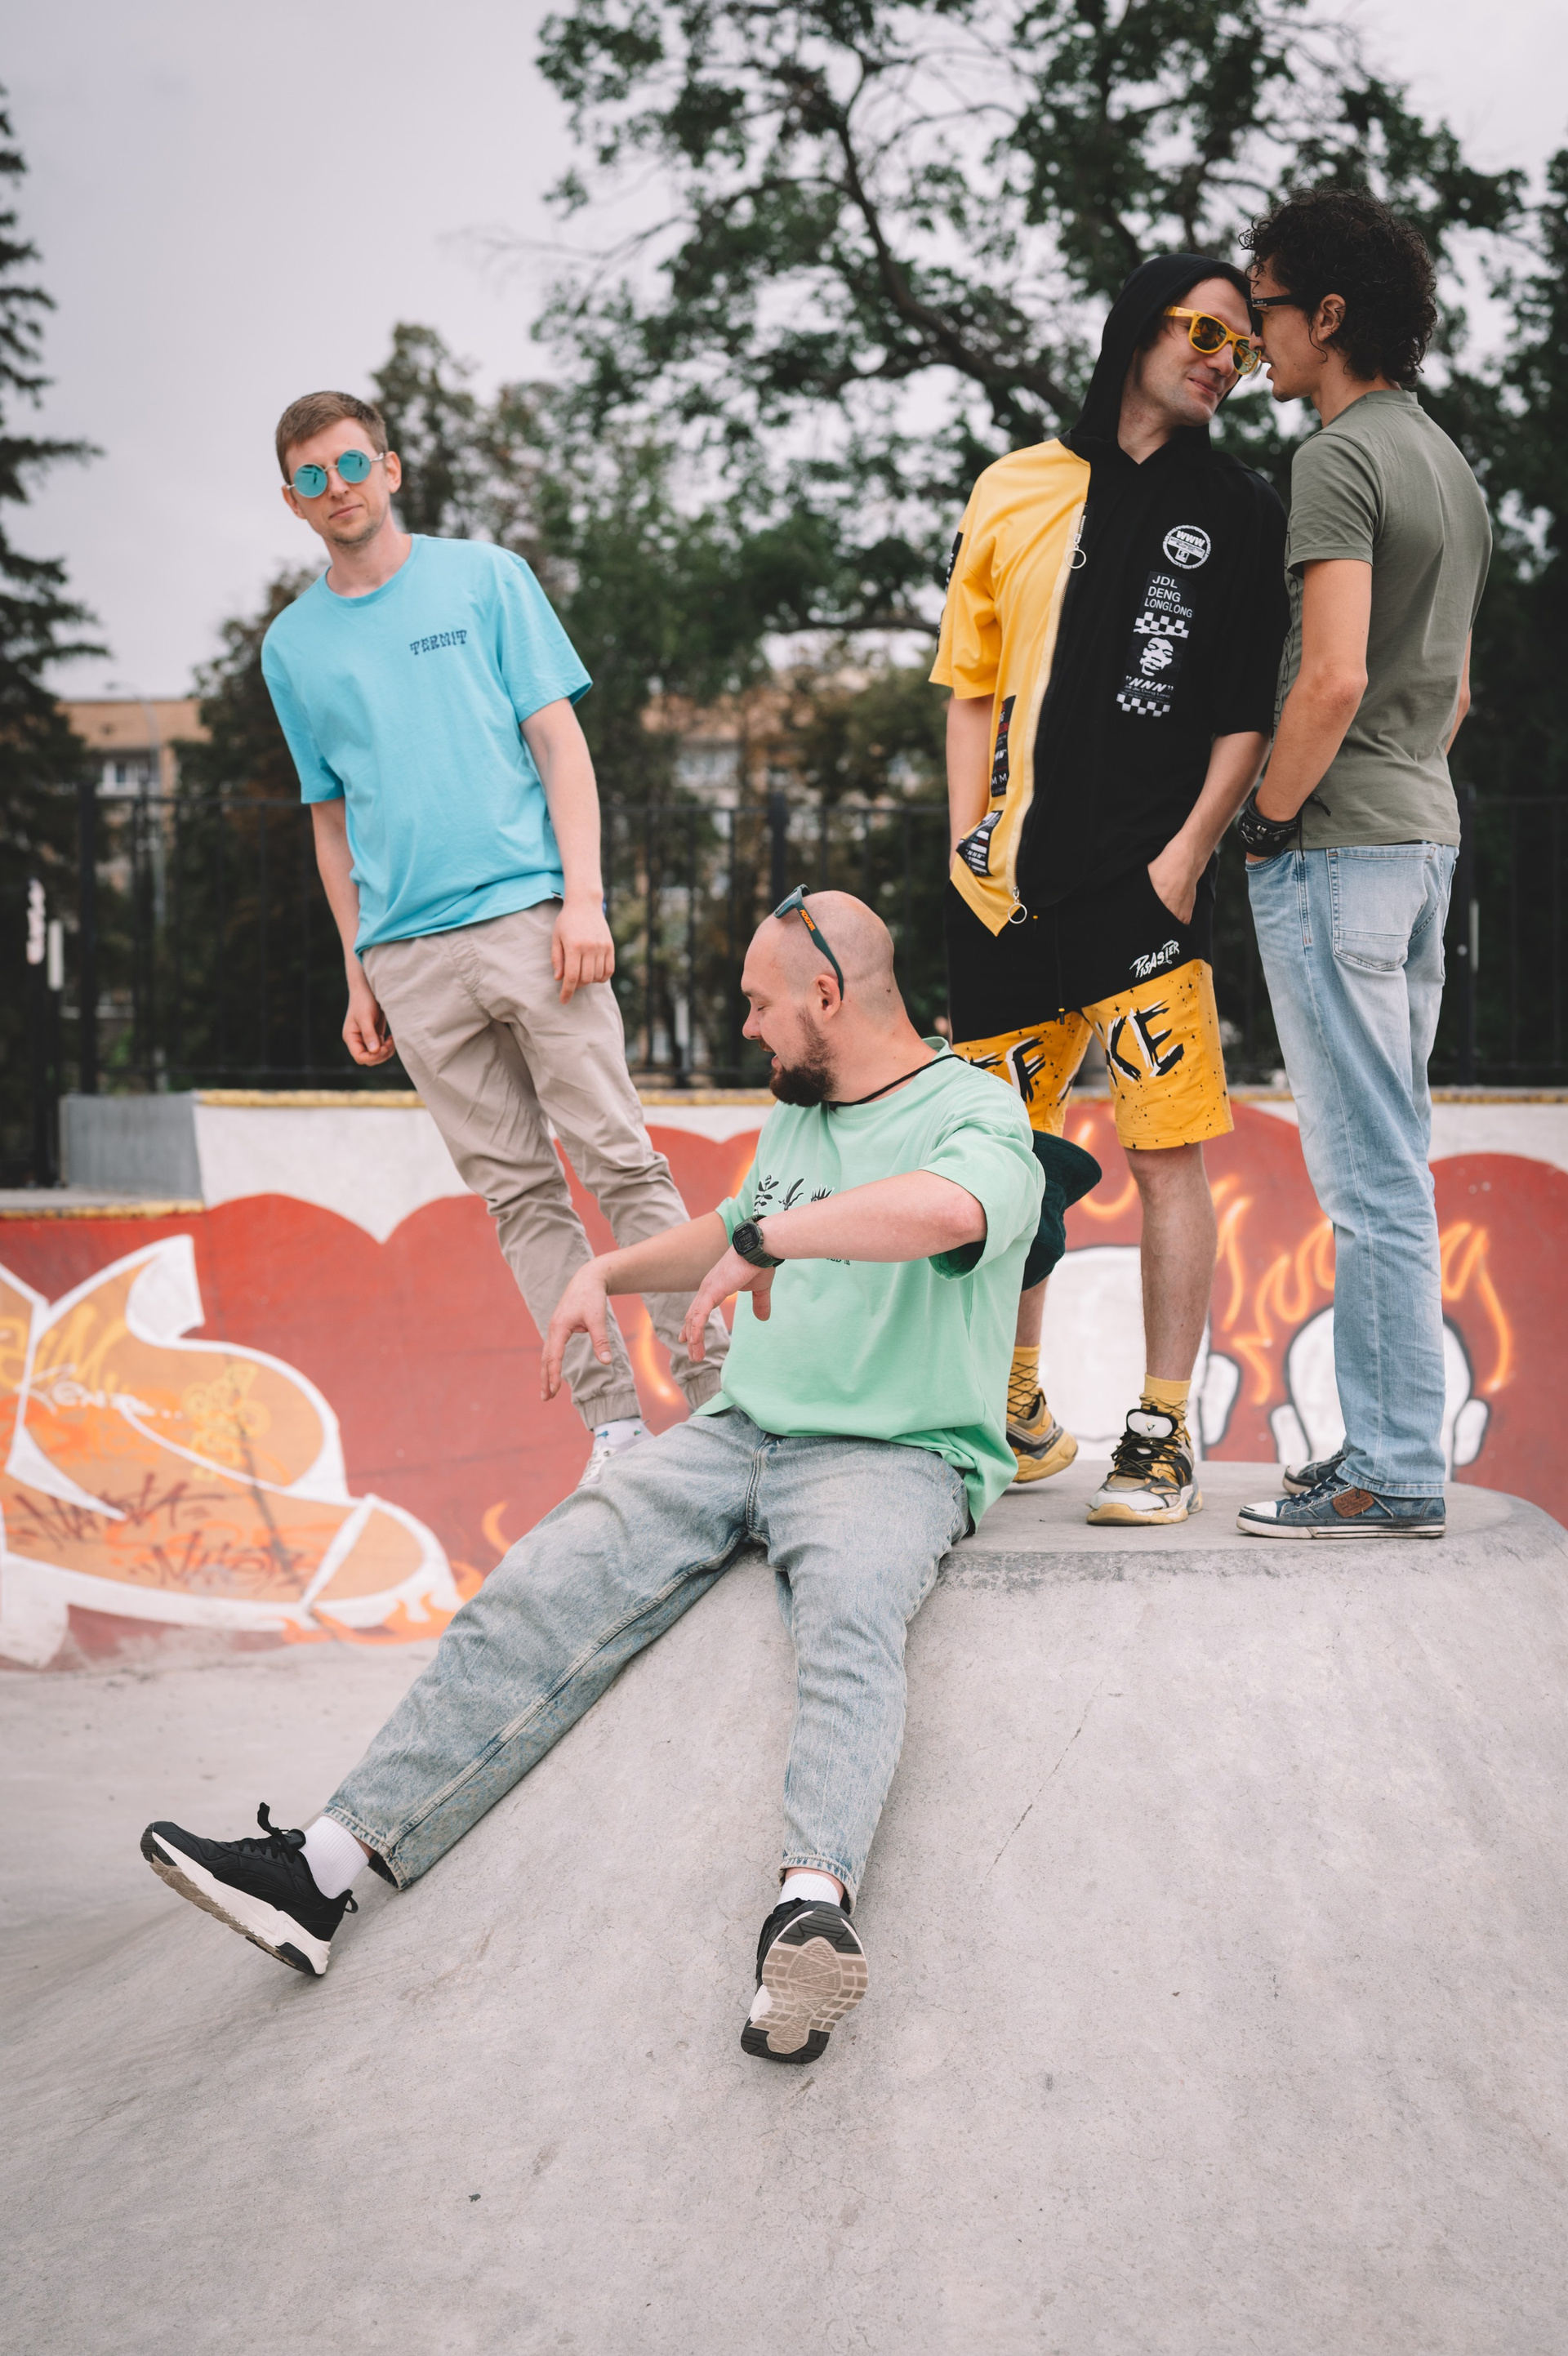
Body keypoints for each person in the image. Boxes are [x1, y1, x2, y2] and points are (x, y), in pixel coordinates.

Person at [140, 893, 1042, 2064]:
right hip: (740, 1431)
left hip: (894, 1451)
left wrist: (770, 1242)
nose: (747, 1026)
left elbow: (948, 1212)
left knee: (851, 1619)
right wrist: (604, 1273)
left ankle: (808, 1911)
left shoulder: (974, 1110)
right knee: (545, 1577)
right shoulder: (801, 1116)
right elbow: (732, 1221)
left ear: (827, 996)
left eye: (758, 1005)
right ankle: (321, 1870)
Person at [260, 390, 728, 1487]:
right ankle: (614, 1430)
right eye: (313, 478)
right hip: (408, 960)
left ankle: (722, 1398)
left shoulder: (486, 578)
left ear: (391, 468)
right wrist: (358, 969)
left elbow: (560, 743)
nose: (339, 489)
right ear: (293, 502)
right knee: (520, 1196)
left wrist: (585, 900)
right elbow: (329, 819)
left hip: (531, 922)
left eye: (353, 464)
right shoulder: (293, 648)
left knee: (621, 1161)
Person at [934, 256, 1289, 1522]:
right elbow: (970, 682)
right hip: (1006, 901)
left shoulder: (1240, 506)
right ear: (1140, 327)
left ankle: (1160, 1429)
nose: (1222, 358)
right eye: (1203, 330)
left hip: (1144, 896)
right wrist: (966, 841)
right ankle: (1013, 1408)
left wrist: (1185, 856)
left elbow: (1246, 711)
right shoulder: (1016, 486)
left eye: (1244, 347)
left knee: (1164, 1155)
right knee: (1000, 1159)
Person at [1233, 189, 1490, 1540]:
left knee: (1368, 1174)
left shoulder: (1336, 460)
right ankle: (1390, 1449)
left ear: (1328, 315)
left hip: (1338, 850)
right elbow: (1450, 697)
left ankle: (1392, 1469)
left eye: (1266, 308)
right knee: (1394, 1159)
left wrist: (1266, 819)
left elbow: (1330, 676)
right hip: (1421, 839)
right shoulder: (1447, 464)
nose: (1254, 337)